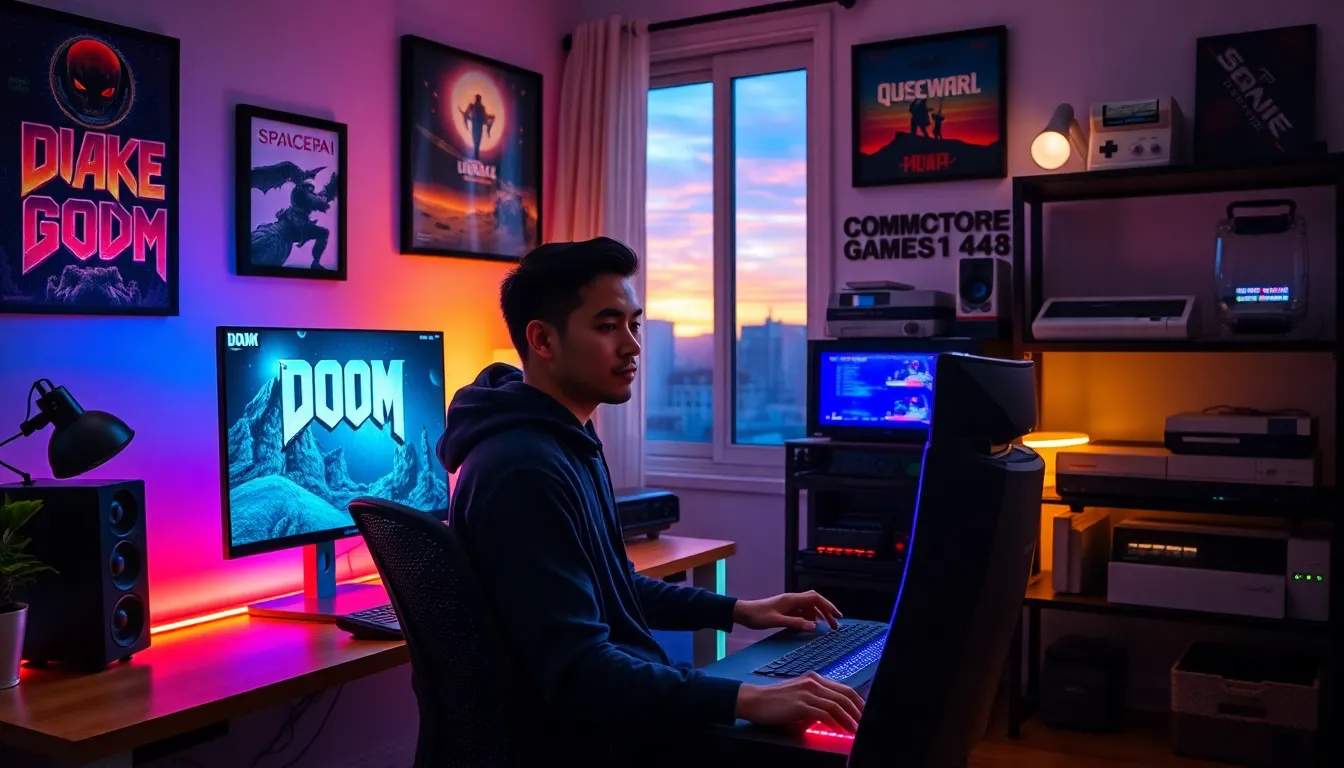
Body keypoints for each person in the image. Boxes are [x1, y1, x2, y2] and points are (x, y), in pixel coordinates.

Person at [437, 237, 864, 760]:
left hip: (617, 716)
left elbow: (612, 585)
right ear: (543, 341)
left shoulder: (563, 440)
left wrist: (742, 610)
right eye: (607, 326)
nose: (633, 346)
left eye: (634, 325)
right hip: (592, 738)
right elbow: (579, 673)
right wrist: (748, 699)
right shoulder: (523, 470)